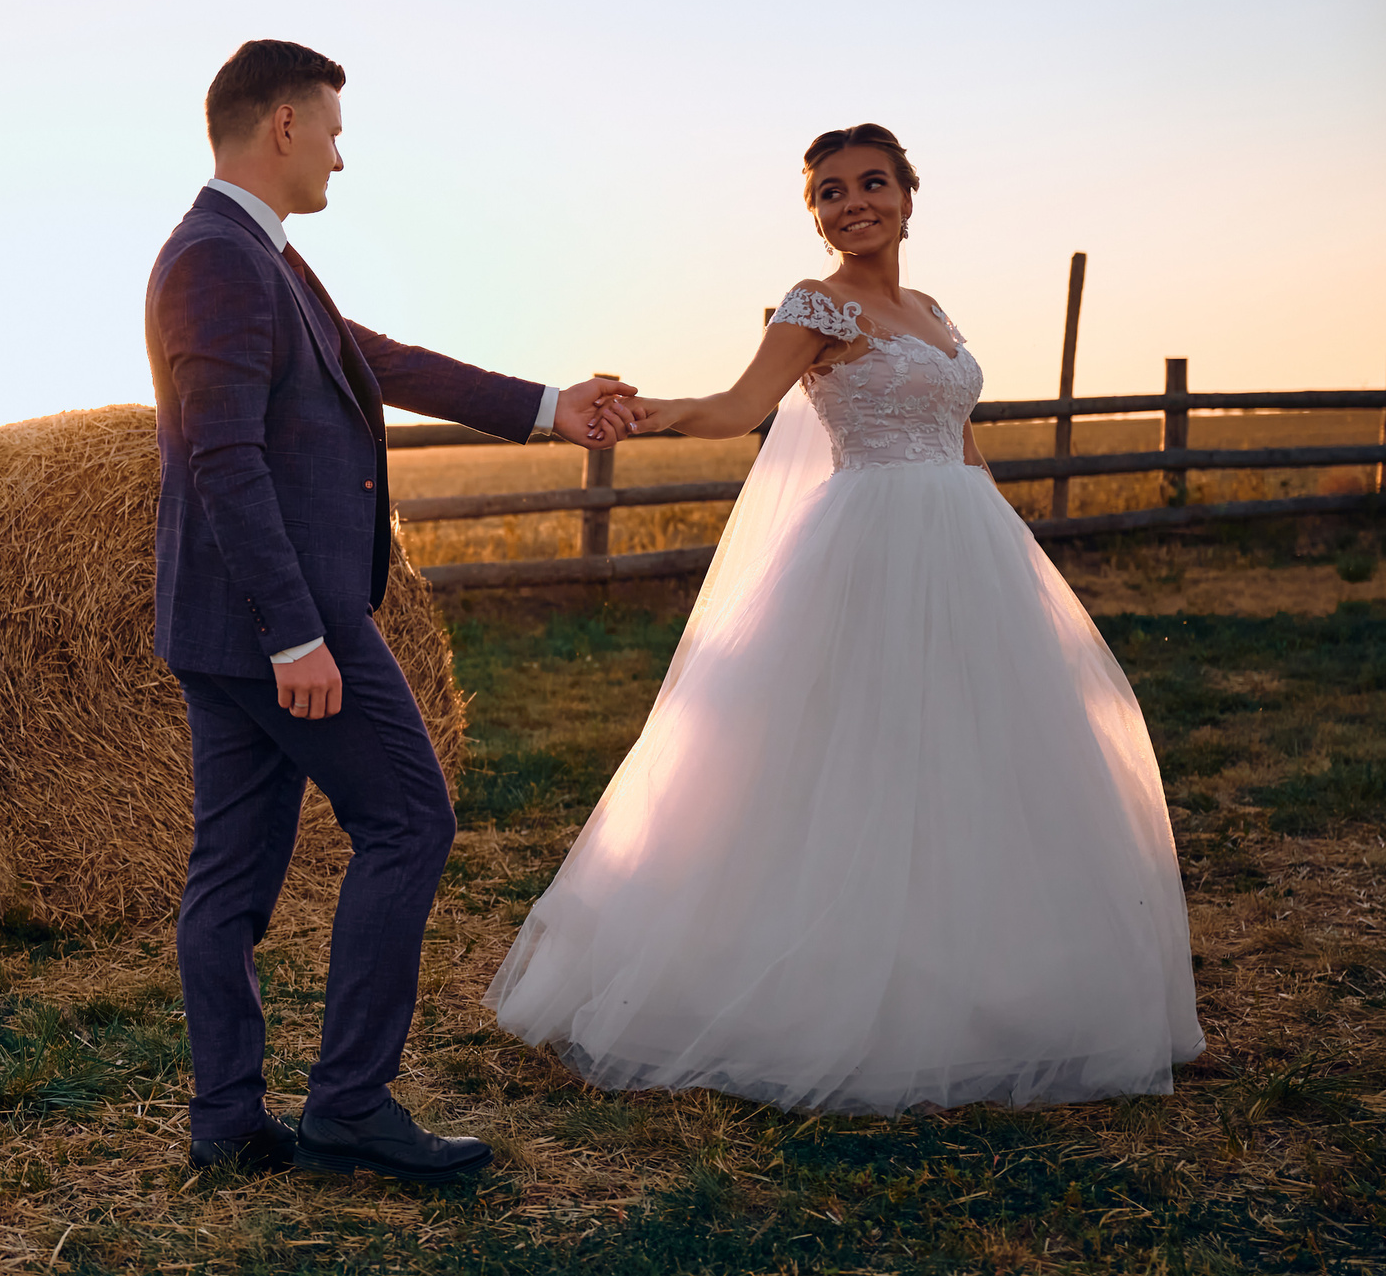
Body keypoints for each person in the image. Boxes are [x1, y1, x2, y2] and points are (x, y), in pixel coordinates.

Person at [483, 124, 1202, 1113]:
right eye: (829, 191)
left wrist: (1011, 548)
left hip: (966, 543)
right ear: (813, 212)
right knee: (858, 751)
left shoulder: (931, 310)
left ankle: (991, 980)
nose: (852, 201)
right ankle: (836, 981)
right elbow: (740, 407)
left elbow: (960, 439)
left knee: (986, 751)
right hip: (868, 542)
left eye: (871, 183)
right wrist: (638, 413)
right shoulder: (815, 304)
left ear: (908, 195)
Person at [148, 39, 637, 1180]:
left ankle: (227, 1122)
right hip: (282, 624)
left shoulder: (249, 255)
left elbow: (378, 360)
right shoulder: (222, 259)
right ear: (279, 127)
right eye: (328, 130)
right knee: (409, 822)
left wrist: (550, 407)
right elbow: (224, 460)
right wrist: (295, 632)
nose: (338, 156)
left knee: (229, 875)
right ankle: (350, 1104)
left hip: (225, 627)